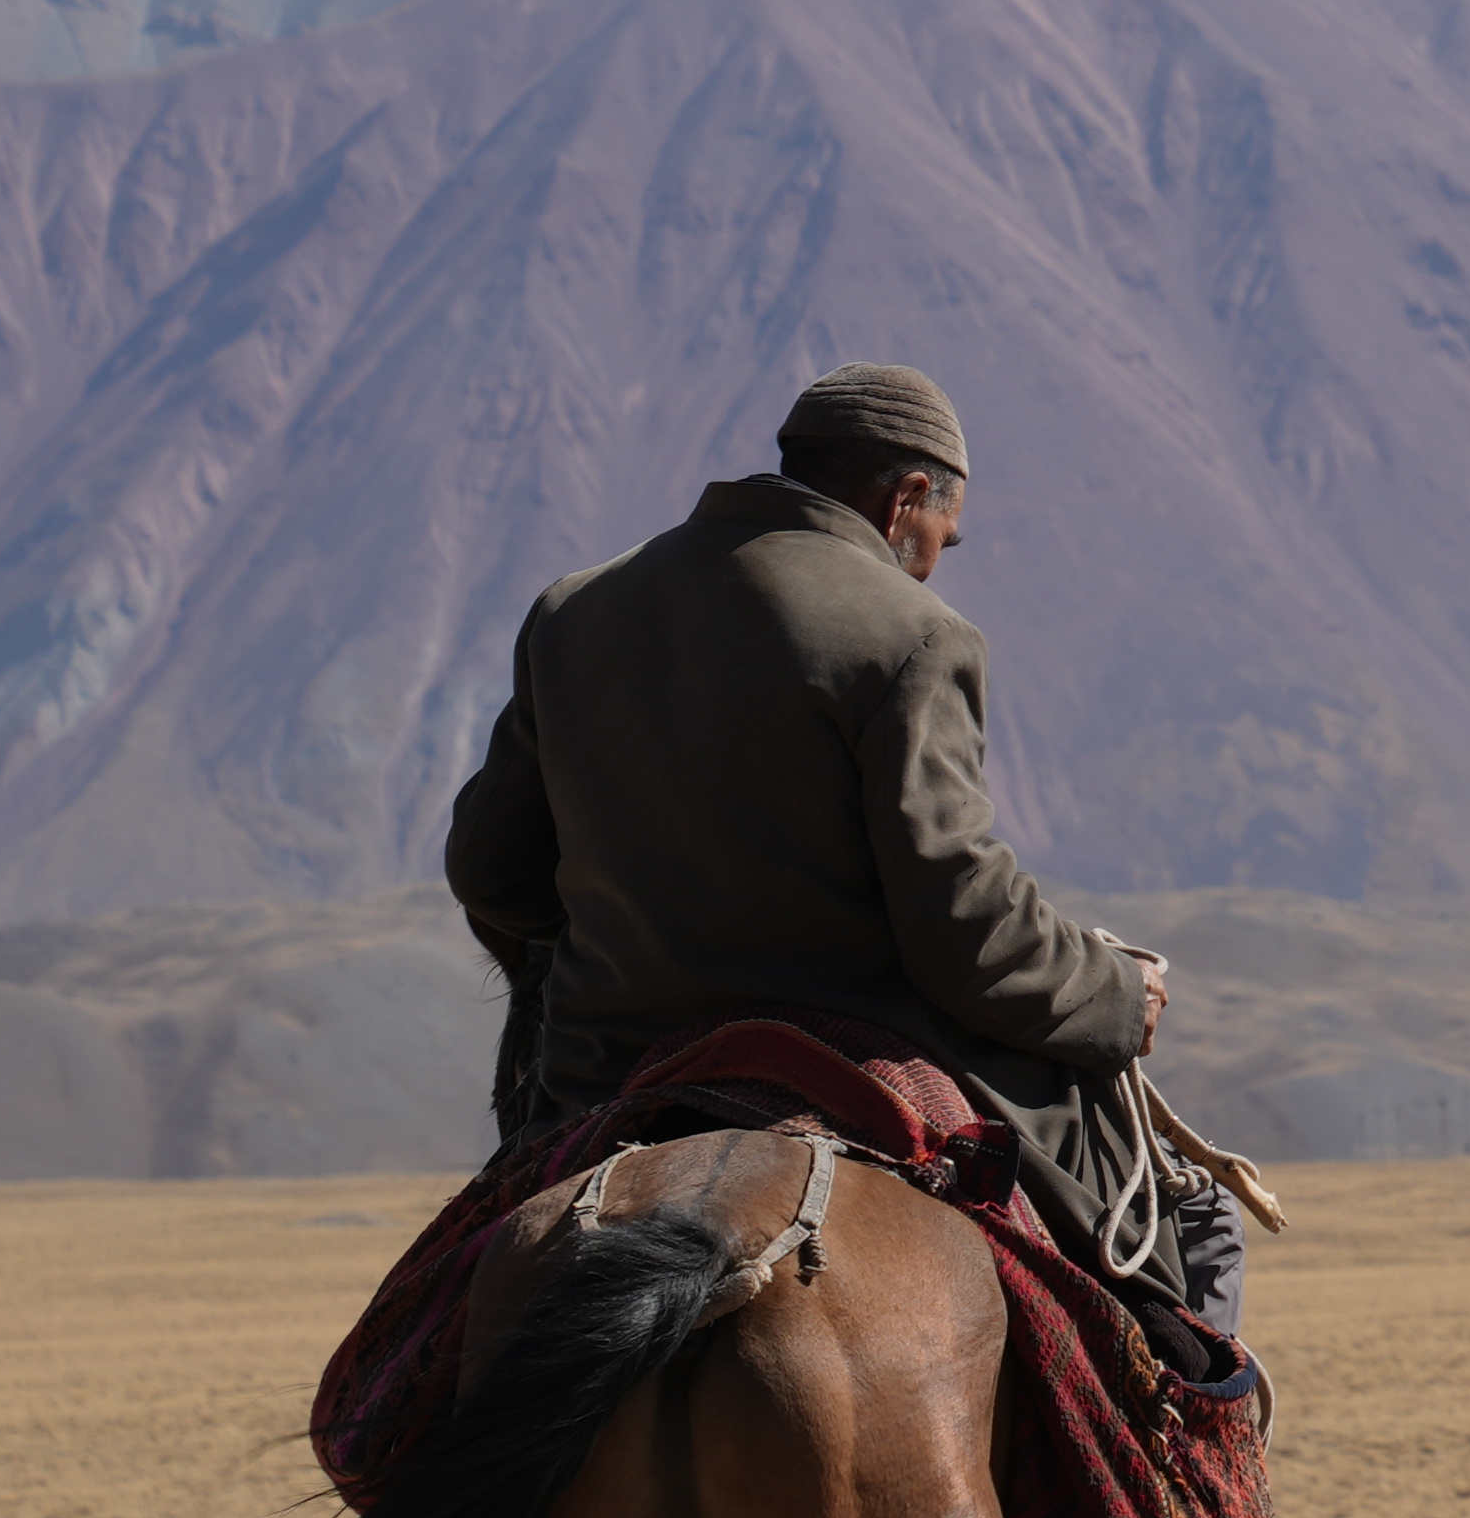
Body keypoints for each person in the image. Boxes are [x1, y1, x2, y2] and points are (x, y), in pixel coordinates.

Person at [442, 360, 1239, 1346]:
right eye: (943, 536)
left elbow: (490, 870)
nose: (934, 559)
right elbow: (965, 927)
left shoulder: (574, 610)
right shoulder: (908, 634)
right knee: (1190, 1221)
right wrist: (1114, 994)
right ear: (909, 497)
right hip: (852, 1058)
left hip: (604, 1069)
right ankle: (1184, 1480)